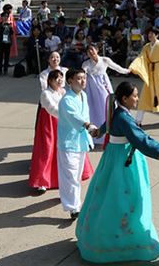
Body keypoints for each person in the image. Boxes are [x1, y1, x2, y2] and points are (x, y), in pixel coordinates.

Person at [75, 81, 159, 263]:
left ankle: (101, 235)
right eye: (135, 95)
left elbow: (100, 131)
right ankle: (125, 240)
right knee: (125, 198)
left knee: (108, 196)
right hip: (124, 161)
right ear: (124, 98)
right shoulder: (124, 118)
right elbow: (142, 140)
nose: (137, 99)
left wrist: (91, 128)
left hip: (113, 158)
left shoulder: (116, 113)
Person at [29, 69, 94, 193]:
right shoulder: (45, 93)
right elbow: (52, 109)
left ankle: (66, 179)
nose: (59, 80)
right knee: (47, 151)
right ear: (50, 81)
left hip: (64, 123)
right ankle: (42, 181)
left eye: (60, 77)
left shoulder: (64, 92)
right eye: (56, 78)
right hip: (49, 124)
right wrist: (68, 116)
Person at [57, 69, 98, 219]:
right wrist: (88, 125)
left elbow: (84, 114)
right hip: (68, 142)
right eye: (79, 78)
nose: (82, 81)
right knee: (71, 176)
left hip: (80, 141)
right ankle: (73, 208)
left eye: (84, 78)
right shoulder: (67, 100)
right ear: (70, 81)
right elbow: (75, 117)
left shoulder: (83, 96)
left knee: (76, 175)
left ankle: (72, 201)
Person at [82, 44, 130, 144]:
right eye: (88, 51)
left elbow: (116, 68)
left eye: (92, 49)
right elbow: (82, 72)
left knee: (107, 106)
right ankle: (95, 133)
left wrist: (127, 71)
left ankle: (109, 132)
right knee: (92, 108)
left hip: (103, 86)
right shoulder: (86, 63)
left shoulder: (104, 60)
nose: (91, 52)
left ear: (97, 50)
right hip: (91, 88)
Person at [0, 9, 16, 76]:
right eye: (4, 16)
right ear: (2, 17)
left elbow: (12, 33)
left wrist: (10, 27)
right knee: (0, 56)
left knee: (7, 57)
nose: (5, 18)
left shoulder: (9, 24)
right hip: (1, 42)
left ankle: (5, 70)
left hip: (7, 42)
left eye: (7, 16)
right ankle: (0, 70)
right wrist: (3, 24)